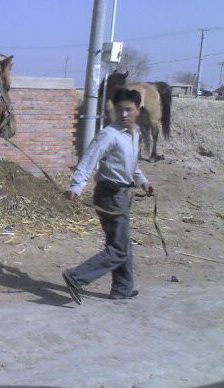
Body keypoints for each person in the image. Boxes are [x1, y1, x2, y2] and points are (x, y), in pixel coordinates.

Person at [62, 88, 154, 304]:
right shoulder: (109, 134)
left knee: (122, 244)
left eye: (128, 110)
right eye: (119, 110)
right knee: (119, 248)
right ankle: (76, 277)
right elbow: (89, 160)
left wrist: (143, 182)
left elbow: (132, 165)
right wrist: (76, 186)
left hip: (122, 193)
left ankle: (122, 289)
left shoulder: (134, 134)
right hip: (109, 194)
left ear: (138, 111)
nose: (123, 114)